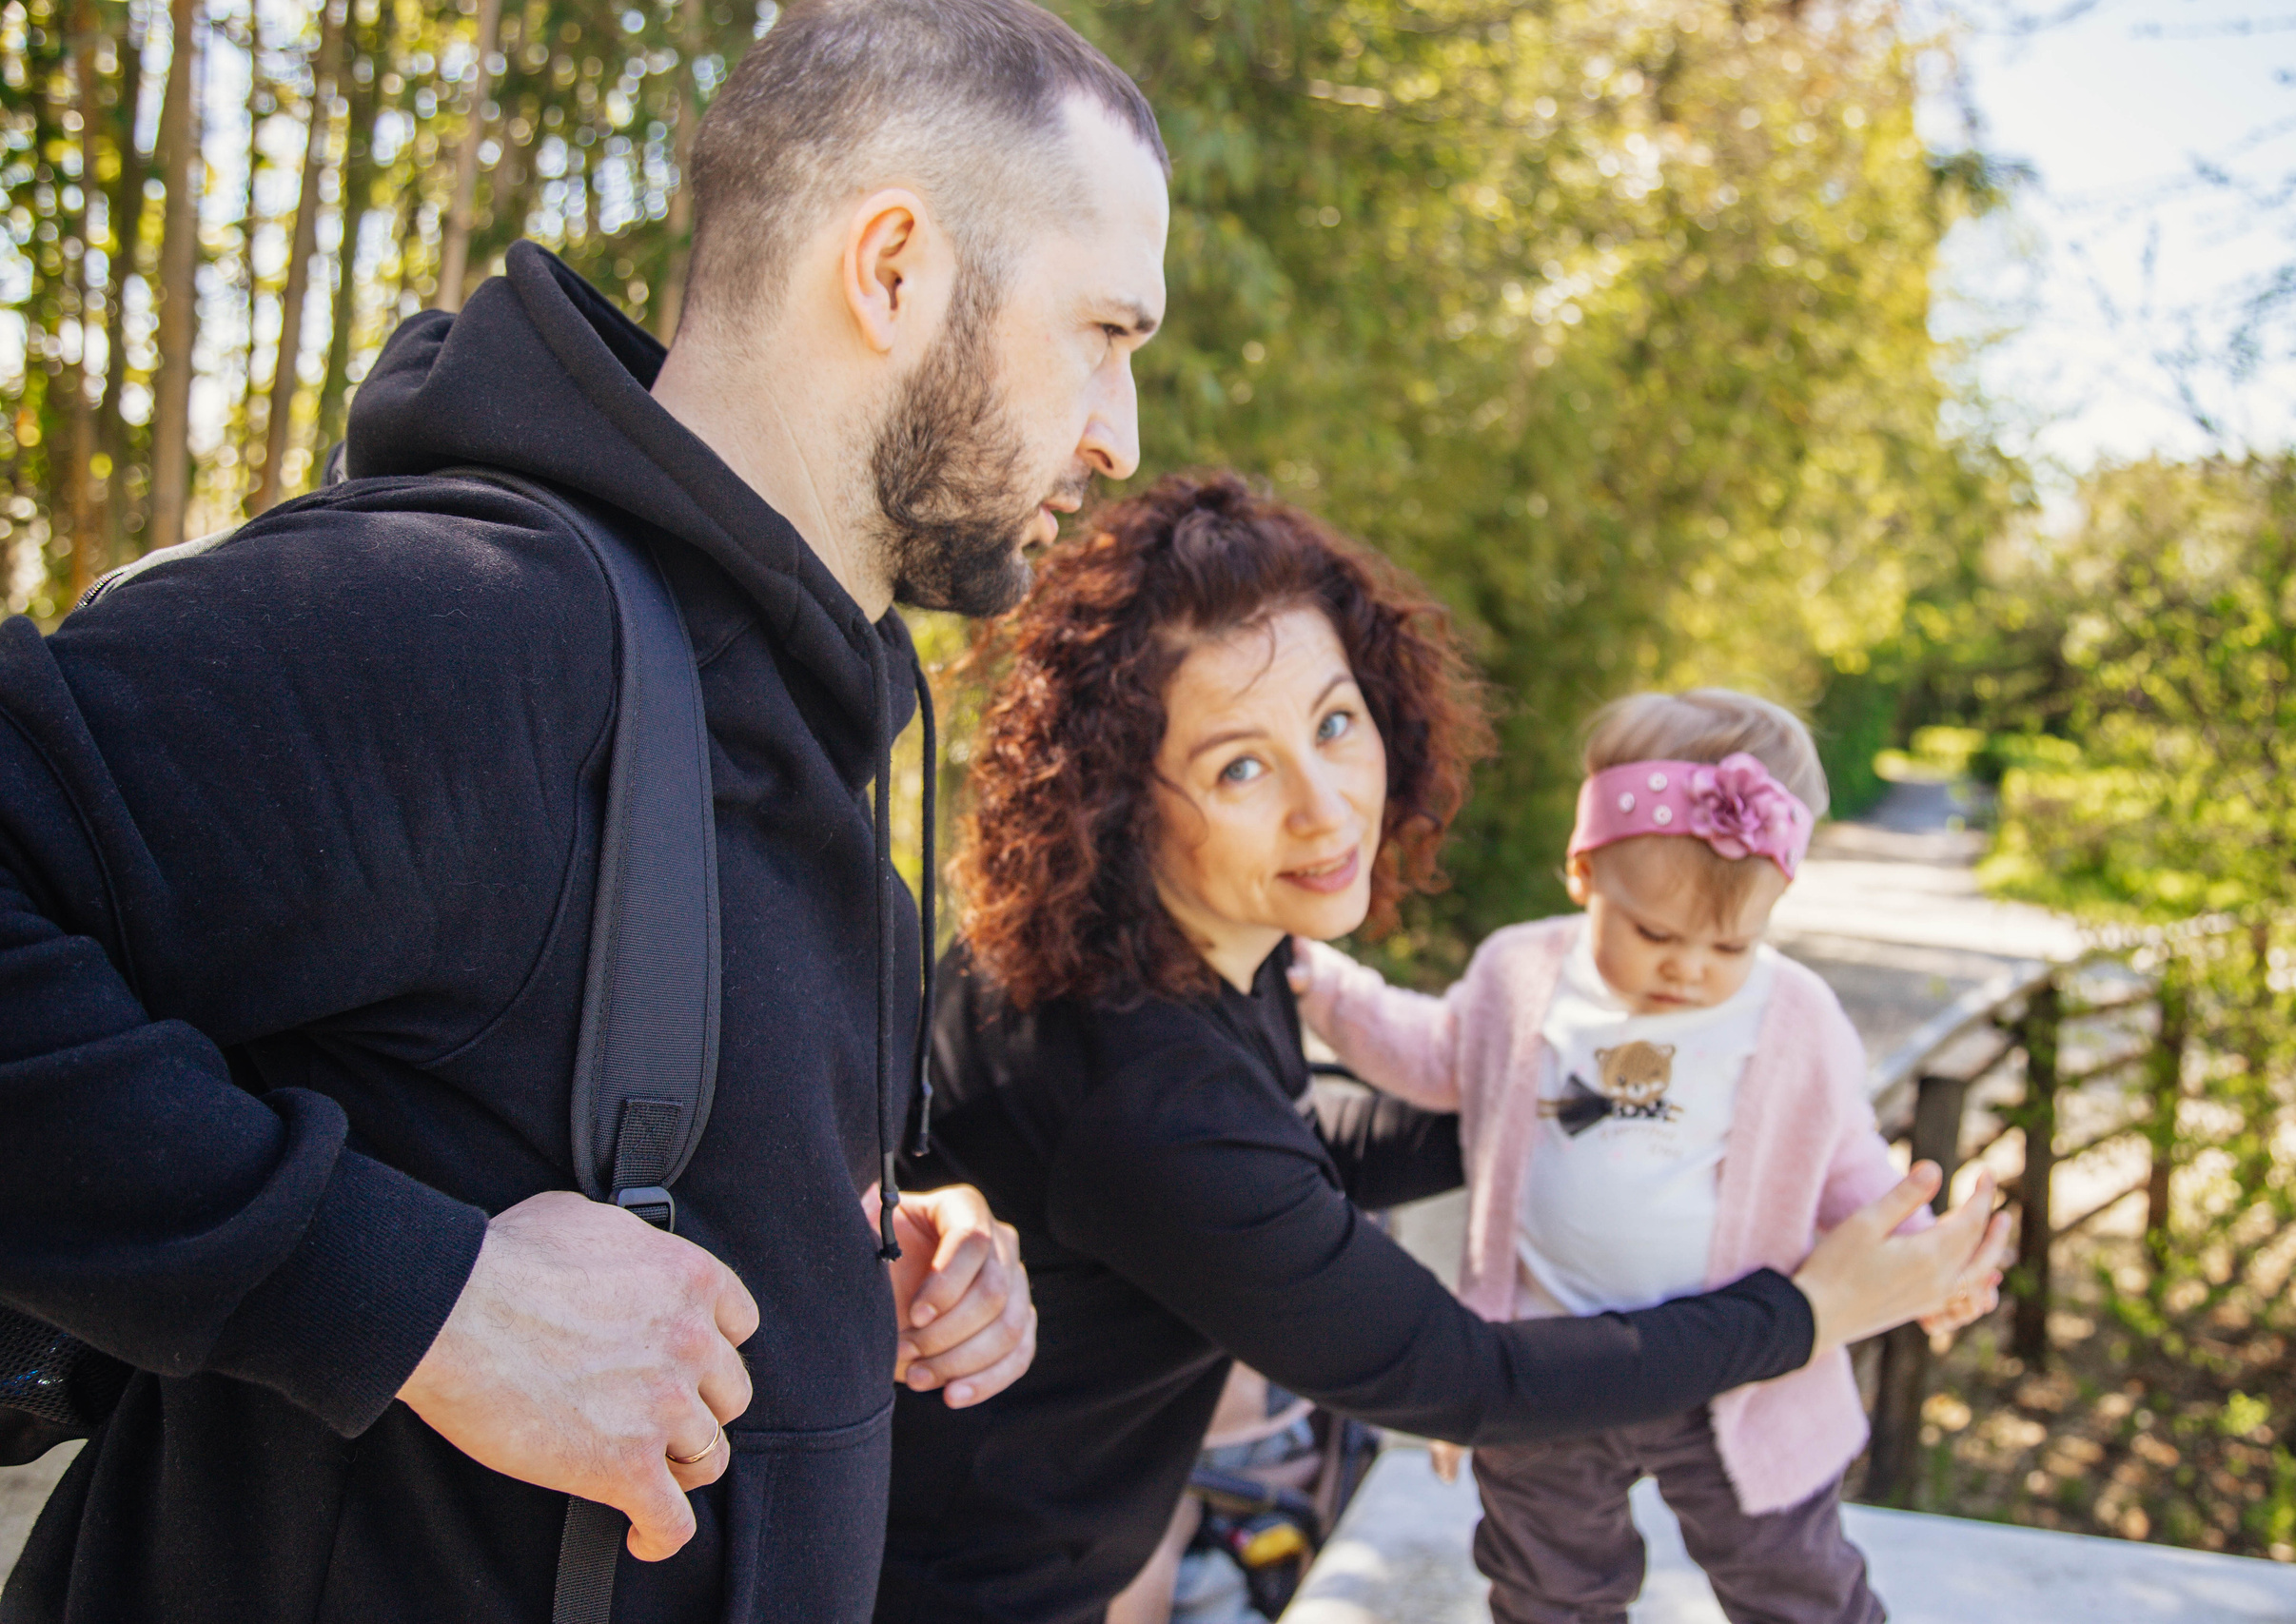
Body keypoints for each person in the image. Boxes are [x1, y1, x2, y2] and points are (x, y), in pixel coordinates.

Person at [0, 0, 1170, 1616]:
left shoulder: (794, 754)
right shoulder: (476, 629)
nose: (1121, 433)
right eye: (1108, 333)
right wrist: (426, 1299)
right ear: (893, 268)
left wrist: (855, 1248)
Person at [882, 475, 2010, 1624]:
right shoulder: (1141, 1096)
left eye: (1332, 724)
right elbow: (1467, 1376)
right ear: (1121, 801)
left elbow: (1287, 1148)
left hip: (1063, 1531)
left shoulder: (1167, 942)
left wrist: (1583, 1098)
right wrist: (1809, 1313)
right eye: (1240, 767)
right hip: (957, 1582)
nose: (1327, 811)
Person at [1298, 689, 1993, 1624]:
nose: (1690, 969)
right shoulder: (1519, 975)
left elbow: (1851, 1171)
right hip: (1549, 1363)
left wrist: (1927, 1259)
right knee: (1548, 1582)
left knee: (1791, 1576)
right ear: (1585, 873)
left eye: (1730, 943)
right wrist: (1319, 983)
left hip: (1737, 1377)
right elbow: (1426, 1054)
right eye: (1655, 935)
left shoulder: (1792, 1020)